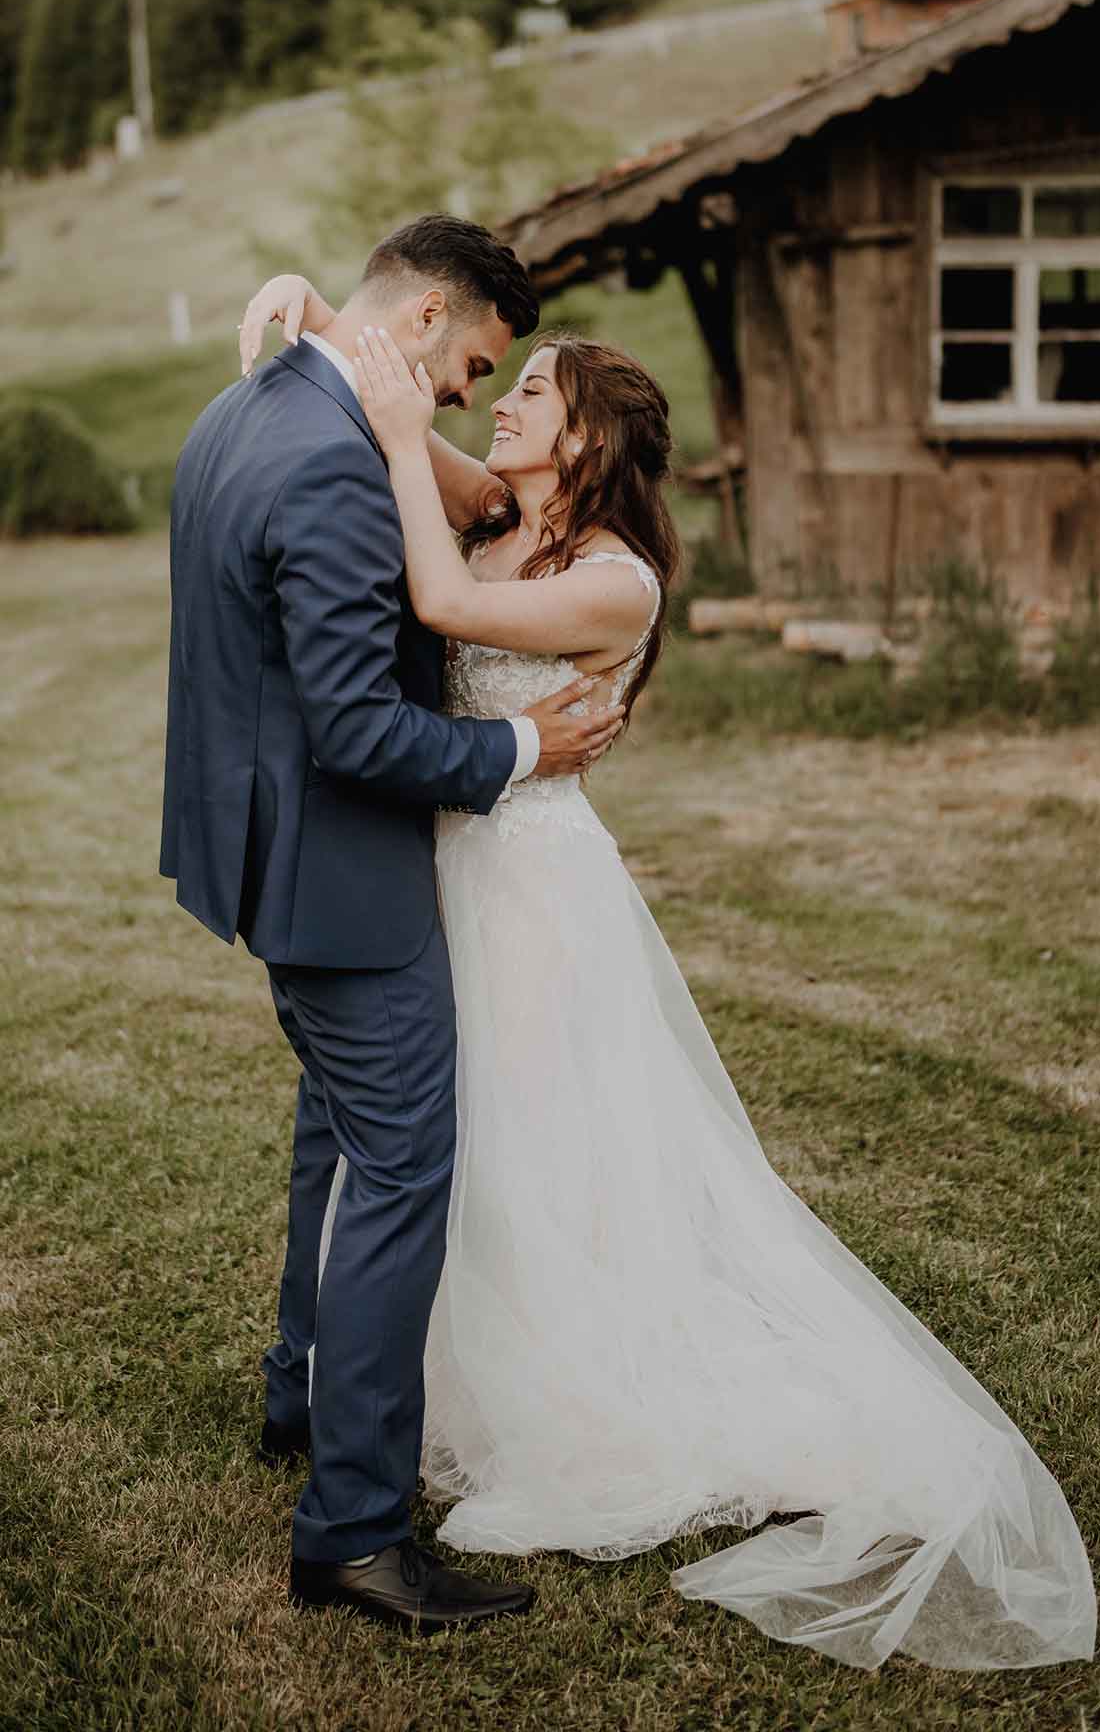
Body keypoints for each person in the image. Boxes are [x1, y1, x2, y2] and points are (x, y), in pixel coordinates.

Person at [235, 272, 1098, 1672]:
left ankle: (528, 1385)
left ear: (580, 444)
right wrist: (342, 314)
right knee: (431, 1142)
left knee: (534, 1146)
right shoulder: (511, 508)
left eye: (530, 390)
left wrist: (400, 442)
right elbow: (403, 400)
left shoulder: (611, 576)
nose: (499, 398)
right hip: (444, 869)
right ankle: (354, 1394)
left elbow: (440, 598)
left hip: (530, 884)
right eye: (499, 383)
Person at [161, 217, 626, 1637]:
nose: (467, 398)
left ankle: (301, 1386)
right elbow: (362, 728)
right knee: (403, 1164)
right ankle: (356, 1531)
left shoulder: (245, 412)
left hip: (261, 856)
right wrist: (515, 757)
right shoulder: (337, 467)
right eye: (471, 364)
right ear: (423, 319)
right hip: (345, 880)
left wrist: (314, 322)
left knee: (331, 1137)